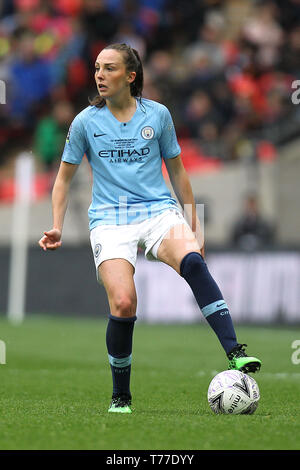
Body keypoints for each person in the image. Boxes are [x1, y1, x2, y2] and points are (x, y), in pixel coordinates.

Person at [38, 43, 261, 414]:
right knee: (124, 303)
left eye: (109, 68)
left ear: (130, 76)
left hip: (157, 211)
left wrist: (194, 226)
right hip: (110, 220)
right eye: (96, 68)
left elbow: (177, 171)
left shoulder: (157, 115)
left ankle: (235, 352)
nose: (99, 75)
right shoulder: (85, 122)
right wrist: (57, 226)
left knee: (192, 260)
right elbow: (62, 181)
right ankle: (120, 396)